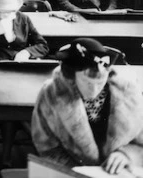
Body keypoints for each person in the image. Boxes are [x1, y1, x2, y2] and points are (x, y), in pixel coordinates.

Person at [31, 38, 143, 172]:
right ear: (71, 77)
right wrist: (74, 171)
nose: (95, 89)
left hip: (119, 173)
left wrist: (127, 155)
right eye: (88, 83)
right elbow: (47, 148)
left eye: (100, 81)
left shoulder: (129, 93)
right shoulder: (51, 94)